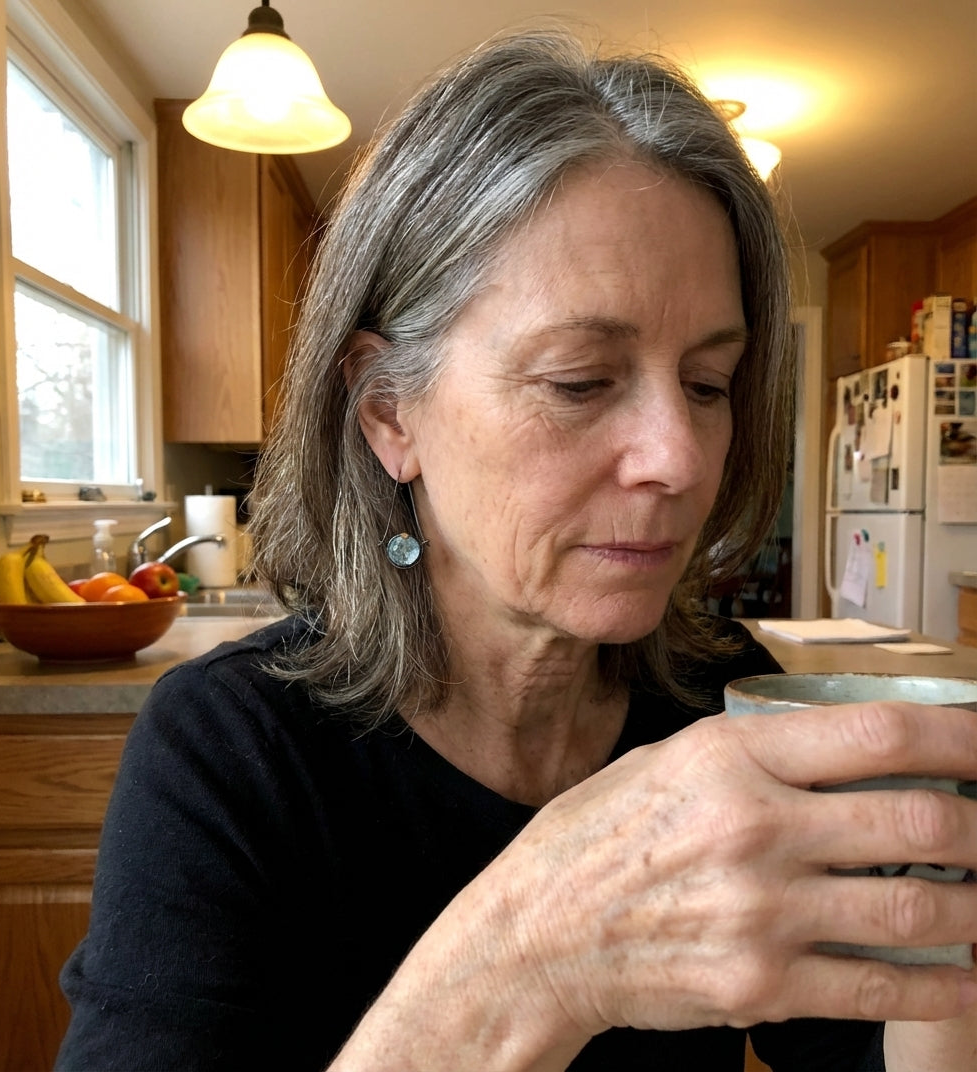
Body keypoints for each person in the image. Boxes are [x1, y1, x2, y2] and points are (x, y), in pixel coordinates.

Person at [56, 27, 976, 1072]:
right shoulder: (231, 754)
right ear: (387, 409)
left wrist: (946, 923)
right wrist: (530, 957)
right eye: (579, 380)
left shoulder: (724, 707)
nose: (678, 457)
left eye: (709, 384)